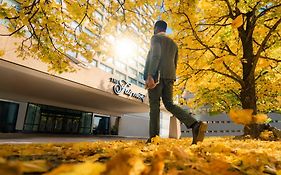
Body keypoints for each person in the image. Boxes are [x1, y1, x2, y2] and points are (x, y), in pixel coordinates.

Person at [144, 20, 207, 144]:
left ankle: (153, 138)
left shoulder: (155, 38)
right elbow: (175, 63)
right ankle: (194, 124)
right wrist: (170, 76)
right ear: (165, 29)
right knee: (169, 104)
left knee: (155, 106)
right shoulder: (174, 44)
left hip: (157, 76)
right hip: (170, 76)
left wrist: (151, 74)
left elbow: (156, 55)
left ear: (156, 28)